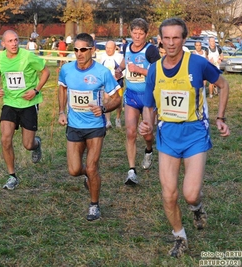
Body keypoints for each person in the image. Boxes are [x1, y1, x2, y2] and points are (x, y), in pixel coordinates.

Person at [139, 17, 230, 258]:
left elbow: (223, 84)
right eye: (166, 38)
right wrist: (147, 123)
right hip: (167, 135)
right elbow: (148, 105)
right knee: (168, 193)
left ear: (184, 38)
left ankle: (197, 207)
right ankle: (180, 237)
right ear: (160, 40)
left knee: (190, 194)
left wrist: (220, 118)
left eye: (176, 37)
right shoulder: (154, 70)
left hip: (195, 135)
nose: (170, 43)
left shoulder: (198, 63)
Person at [57, 33, 121, 221]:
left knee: (92, 167)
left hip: (95, 127)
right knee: (74, 170)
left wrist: (103, 108)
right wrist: (62, 111)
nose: (79, 53)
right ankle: (89, 177)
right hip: (75, 125)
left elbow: (117, 98)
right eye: (76, 50)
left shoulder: (102, 72)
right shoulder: (66, 70)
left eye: (83, 49)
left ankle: (94, 205)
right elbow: (61, 87)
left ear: (92, 50)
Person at [0, 30, 50, 190]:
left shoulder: (28, 56)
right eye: (10, 41)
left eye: (16, 40)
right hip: (10, 103)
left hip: (28, 103)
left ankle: (36, 144)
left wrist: (36, 90)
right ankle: (12, 176)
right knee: (5, 139)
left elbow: (46, 72)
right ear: (3, 44)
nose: (14, 43)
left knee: (27, 144)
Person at [118, 18, 160, 185]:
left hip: (149, 97)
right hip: (132, 95)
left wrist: (139, 70)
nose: (137, 36)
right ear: (130, 32)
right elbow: (124, 62)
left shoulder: (151, 51)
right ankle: (131, 170)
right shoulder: (125, 47)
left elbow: (157, 73)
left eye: (140, 33)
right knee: (130, 131)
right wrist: (118, 69)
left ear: (146, 34)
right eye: (134, 33)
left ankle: (148, 150)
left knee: (147, 133)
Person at [100, 40, 124, 128]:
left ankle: (118, 118)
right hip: (106, 83)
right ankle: (108, 121)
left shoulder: (120, 56)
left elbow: (124, 70)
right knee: (106, 100)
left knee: (118, 101)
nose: (108, 50)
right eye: (107, 48)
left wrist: (117, 77)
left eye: (110, 48)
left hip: (118, 82)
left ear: (115, 48)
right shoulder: (102, 56)